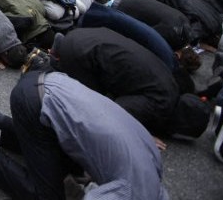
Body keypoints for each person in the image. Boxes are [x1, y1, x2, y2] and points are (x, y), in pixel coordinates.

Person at [0, 68, 169, 199]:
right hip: (35, 102)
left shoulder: (153, 166)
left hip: (53, 83)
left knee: (70, 166)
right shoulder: (132, 194)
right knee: (49, 195)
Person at [51, 28, 208, 139]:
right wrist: (139, 135)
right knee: (91, 111)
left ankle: (59, 53)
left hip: (86, 35)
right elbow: (116, 111)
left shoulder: (171, 86)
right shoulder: (162, 105)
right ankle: (50, 66)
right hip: (81, 54)